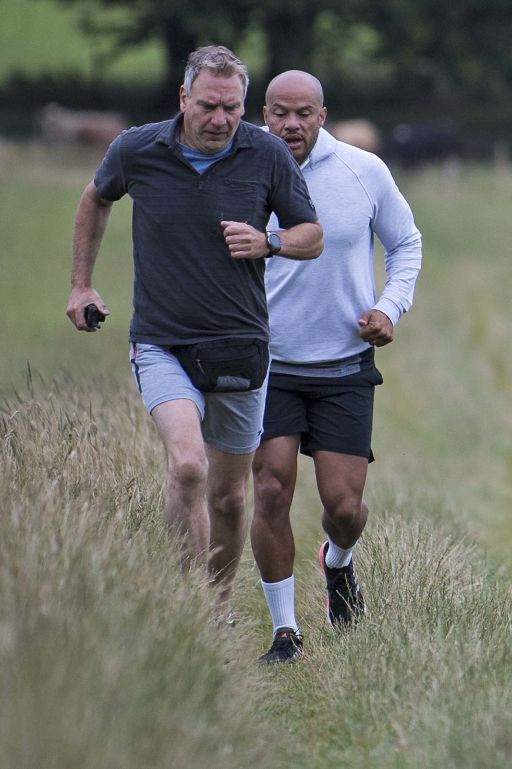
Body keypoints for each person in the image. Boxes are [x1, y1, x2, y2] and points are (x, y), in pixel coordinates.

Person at [66, 46, 324, 608]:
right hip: (162, 342)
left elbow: (312, 234)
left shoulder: (267, 154)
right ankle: (189, 611)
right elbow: (96, 197)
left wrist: (270, 241)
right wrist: (81, 284)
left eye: (232, 108)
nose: (220, 120)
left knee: (231, 497)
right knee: (188, 467)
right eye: (208, 105)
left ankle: (219, 607)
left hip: (240, 348)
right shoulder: (138, 149)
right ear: (184, 98)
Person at [251, 71, 423, 663]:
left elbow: (406, 244)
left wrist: (388, 307)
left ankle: (338, 563)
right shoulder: (241, 168)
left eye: (303, 113)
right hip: (267, 363)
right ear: (263, 115)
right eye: (279, 113)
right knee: (271, 487)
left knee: (344, 508)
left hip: (345, 365)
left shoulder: (363, 170)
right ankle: (284, 631)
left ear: (324, 115)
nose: (291, 125)